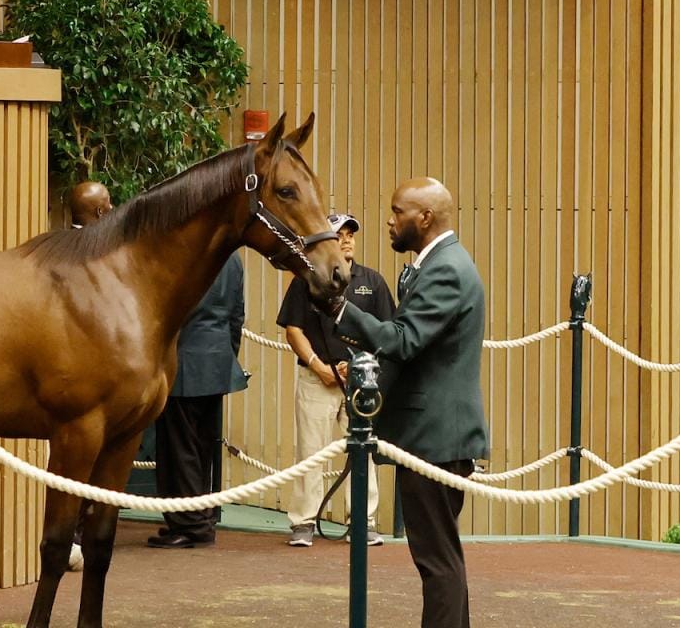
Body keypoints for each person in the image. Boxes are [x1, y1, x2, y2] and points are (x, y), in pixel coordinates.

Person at [334, 178, 487, 628]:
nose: (389, 219)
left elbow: (405, 340)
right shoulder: (433, 264)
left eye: (397, 211)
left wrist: (341, 312)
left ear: (424, 218)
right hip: (434, 434)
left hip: (436, 436)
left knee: (437, 562)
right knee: (441, 558)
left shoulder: (446, 269)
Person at [275, 210, 395, 547]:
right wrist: (318, 365)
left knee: (362, 451)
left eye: (350, 234)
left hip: (359, 381)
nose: (346, 240)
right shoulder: (306, 279)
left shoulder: (373, 282)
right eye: (339, 234)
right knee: (310, 452)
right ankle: (303, 523)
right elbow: (293, 329)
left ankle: (363, 521)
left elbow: (388, 331)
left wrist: (358, 365)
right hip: (316, 378)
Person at [147, 250, 247, 548]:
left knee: (179, 448)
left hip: (184, 359)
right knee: (203, 447)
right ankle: (198, 517)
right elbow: (236, 315)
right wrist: (227, 355)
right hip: (218, 360)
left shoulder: (189, 253)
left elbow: (172, 311)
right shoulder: (234, 260)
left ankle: (190, 525)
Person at [62, 179, 115, 572]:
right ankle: (75, 535)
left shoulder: (58, 251)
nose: (113, 211)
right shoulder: (103, 260)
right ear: (99, 213)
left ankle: (75, 536)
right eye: (109, 205)